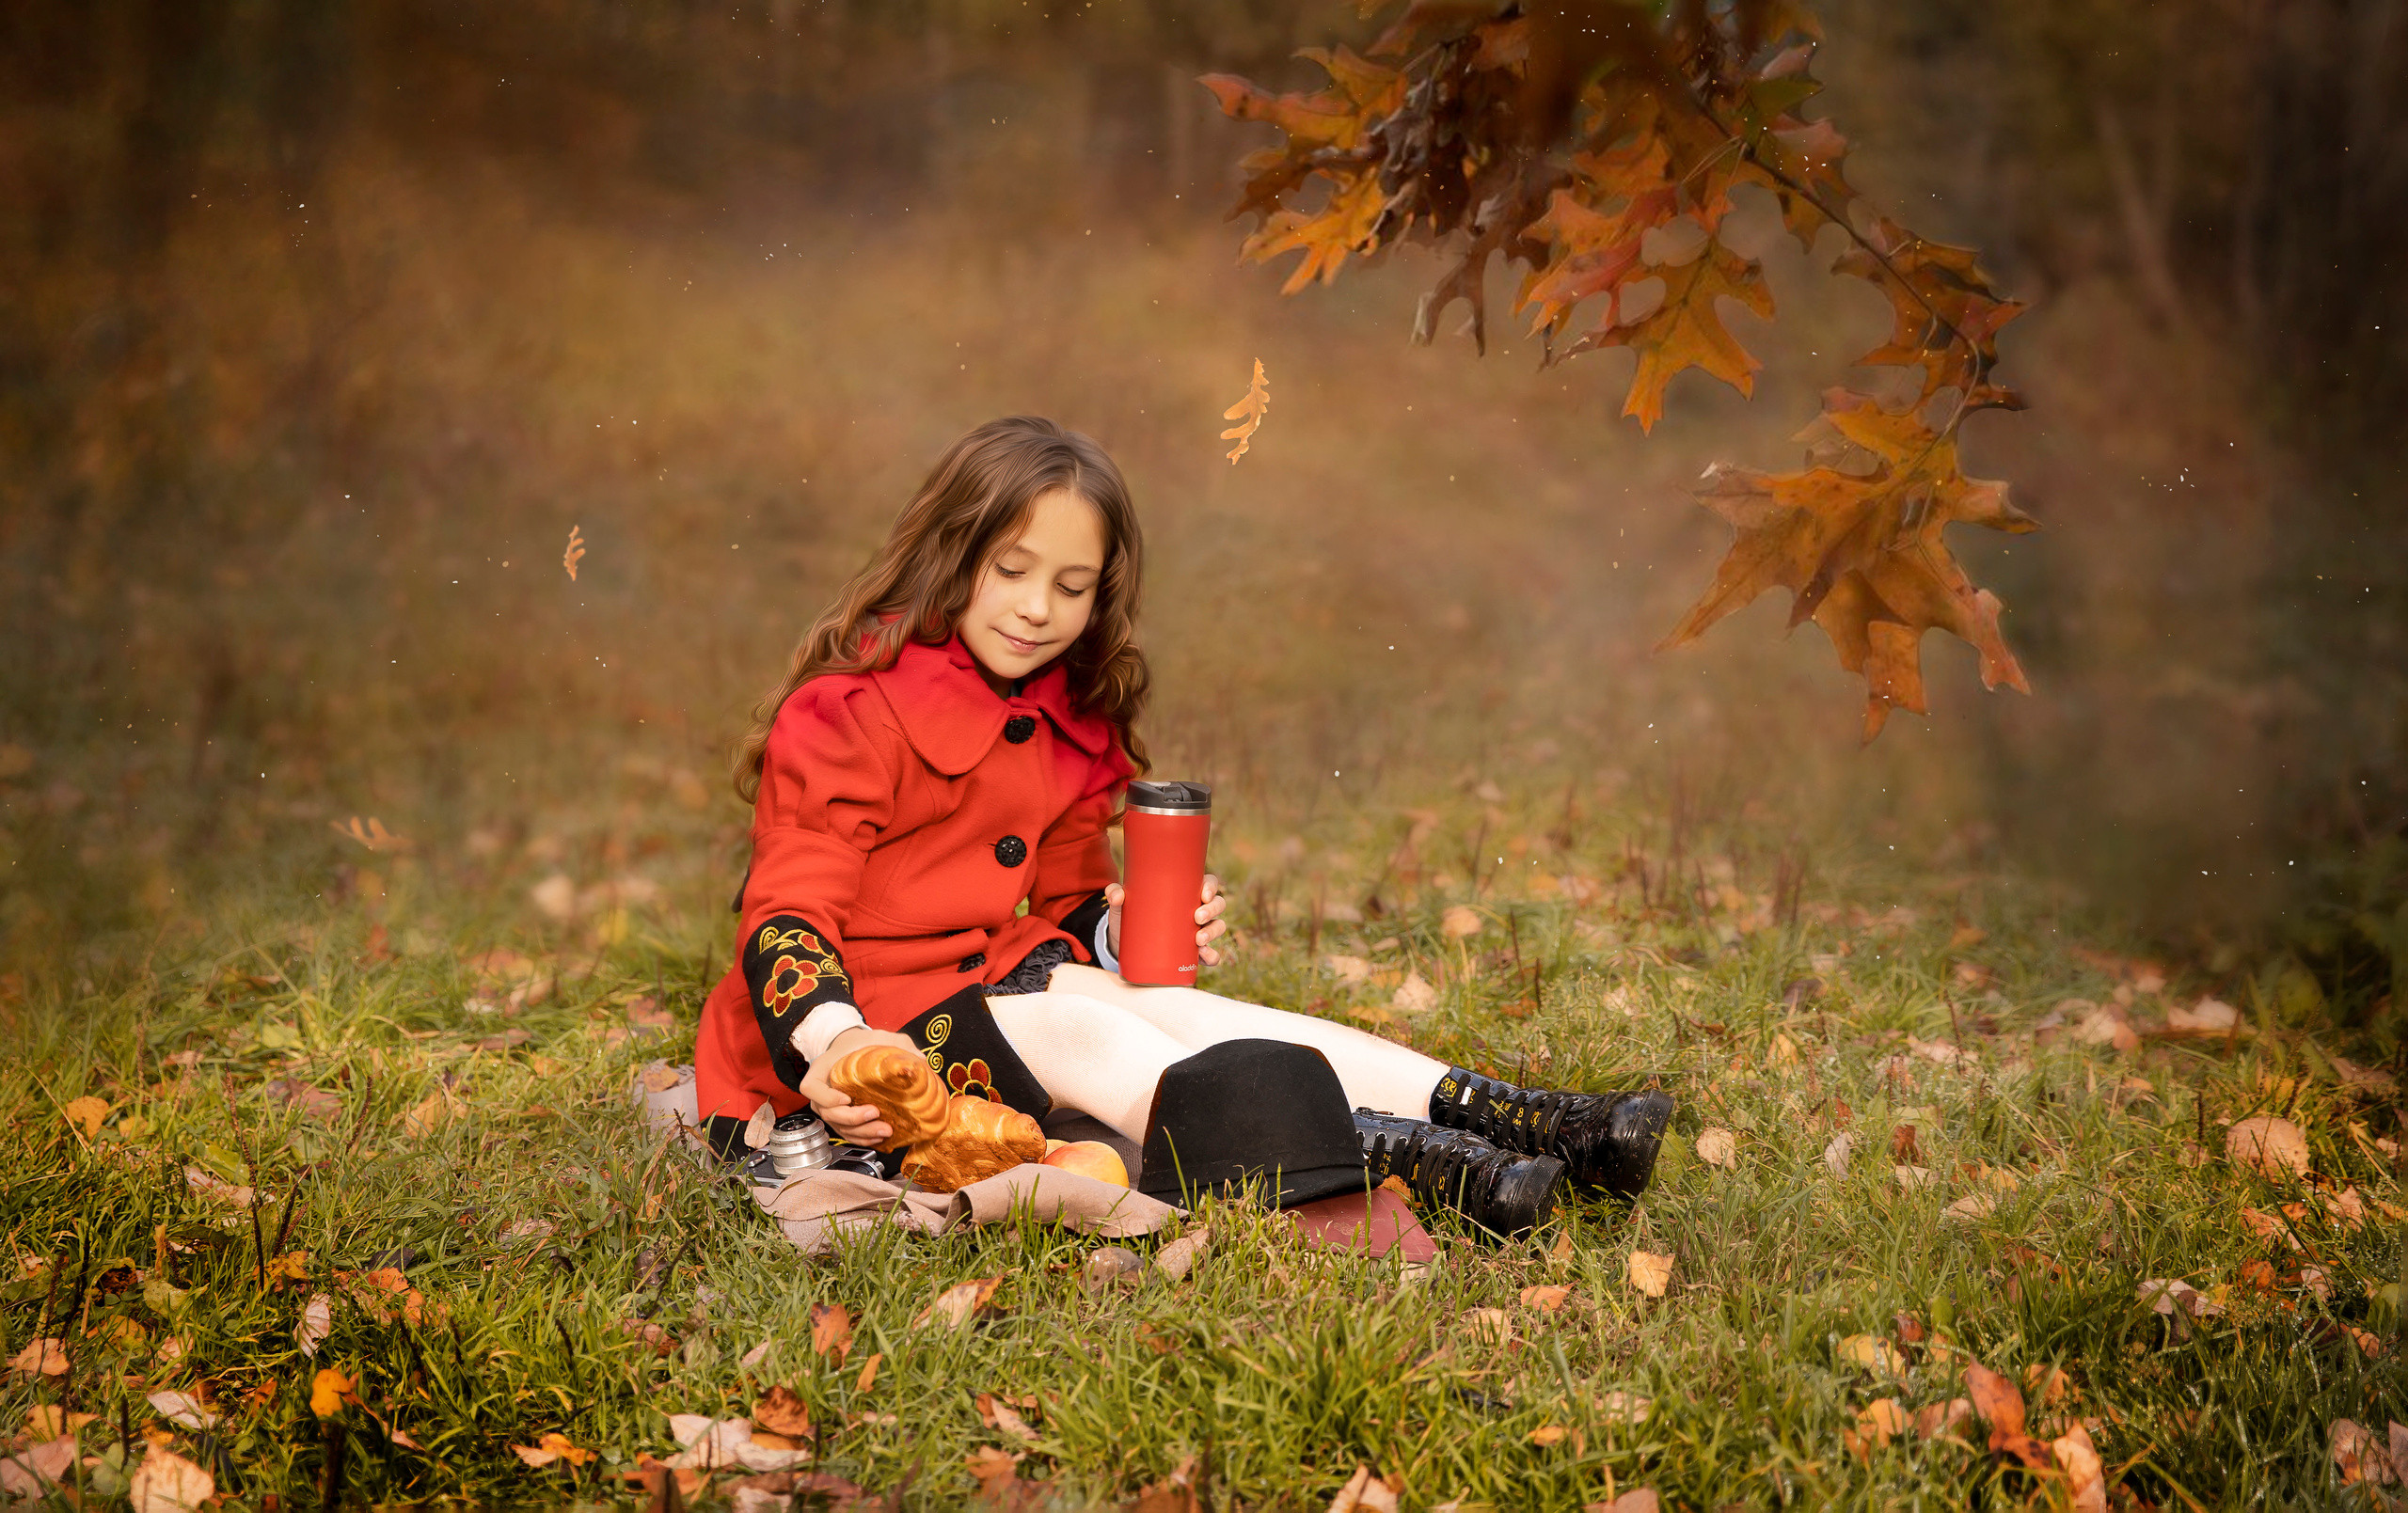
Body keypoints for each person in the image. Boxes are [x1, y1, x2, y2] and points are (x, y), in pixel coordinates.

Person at [689, 417, 1670, 1231]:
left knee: (1192, 1015)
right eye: (1011, 571)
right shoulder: (846, 711)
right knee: (1083, 1029)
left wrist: (1122, 930)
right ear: (953, 553)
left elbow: (1067, 905)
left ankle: (1523, 1120)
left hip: (987, 977)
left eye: (1070, 588)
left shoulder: (1066, 713)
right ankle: (1438, 1167)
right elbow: (785, 914)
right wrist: (839, 1042)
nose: (1037, 610)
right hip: (851, 1027)